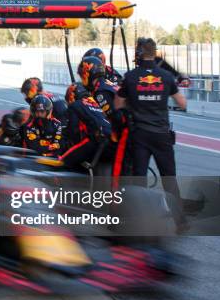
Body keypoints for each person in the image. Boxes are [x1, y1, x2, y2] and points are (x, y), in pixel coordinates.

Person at [115, 38, 186, 197]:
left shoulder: (131, 77)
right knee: (169, 180)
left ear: (139, 53)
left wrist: (133, 101)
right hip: (162, 134)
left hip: (140, 135)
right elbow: (182, 103)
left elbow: (117, 104)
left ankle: (139, 217)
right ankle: (180, 220)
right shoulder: (166, 76)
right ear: (155, 53)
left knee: (139, 180)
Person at [59, 83, 111, 169]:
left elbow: (73, 131)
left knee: (64, 160)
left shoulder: (75, 105)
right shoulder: (97, 103)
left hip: (98, 139)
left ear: (72, 96)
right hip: (112, 139)